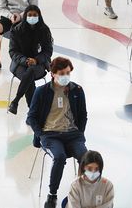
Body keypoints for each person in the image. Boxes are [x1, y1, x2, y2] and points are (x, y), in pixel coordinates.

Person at [27, 57, 88, 208]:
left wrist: (80, 133)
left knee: (86, 158)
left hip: (72, 134)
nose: (65, 76)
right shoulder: (41, 91)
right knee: (59, 157)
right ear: (53, 74)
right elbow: (31, 117)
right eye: (62, 73)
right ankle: (52, 195)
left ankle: (82, 192)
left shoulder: (78, 90)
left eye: (68, 73)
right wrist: (40, 135)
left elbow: (83, 115)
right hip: (50, 134)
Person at [7, 5, 53, 114]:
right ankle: (32, 112)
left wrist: (36, 60)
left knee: (30, 72)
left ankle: (16, 101)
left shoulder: (44, 30)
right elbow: (13, 51)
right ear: (25, 16)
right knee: (28, 77)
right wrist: (25, 60)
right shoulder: (16, 30)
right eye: (30, 15)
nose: (32, 17)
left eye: (35, 15)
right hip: (20, 64)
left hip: (39, 64)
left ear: (39, 16)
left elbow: (48, 51)